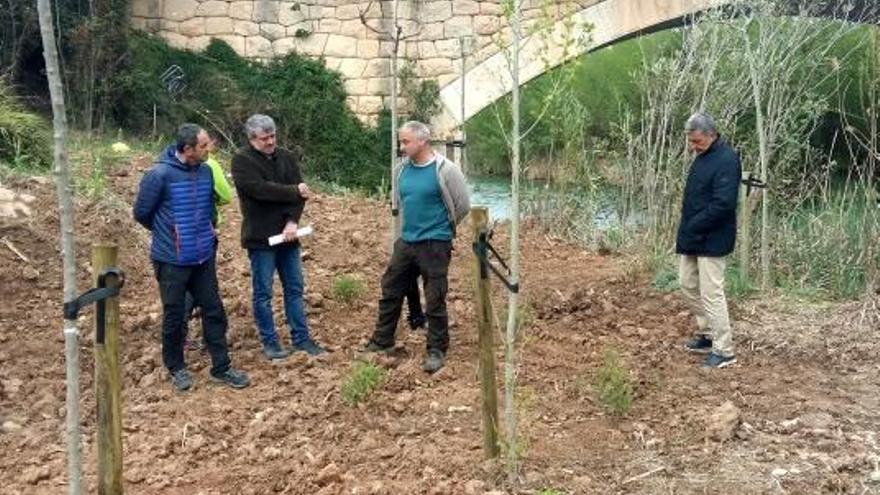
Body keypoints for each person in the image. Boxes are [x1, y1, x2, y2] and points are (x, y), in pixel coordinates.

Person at [133, 123, 251, 391]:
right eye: (204, 146)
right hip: (171, 259)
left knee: (213, 310)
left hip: (202, 256)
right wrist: (169, 233)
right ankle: (176, 368)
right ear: (187, 149)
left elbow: (209, 206)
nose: (209, 149)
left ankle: (221, 367)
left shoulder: (207, 171)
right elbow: (141, 213)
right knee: (175, 315)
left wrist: (208, 228)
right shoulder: (159, 175)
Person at [365, 121, 470, 373]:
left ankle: (436, 349)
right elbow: (400, 204)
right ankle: (382, 341)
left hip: (435, 244)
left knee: (434, 298)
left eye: (406, 142)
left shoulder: (446, 170)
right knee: (390, 289)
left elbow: (462, 205)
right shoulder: (400, 170)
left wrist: (442, 230)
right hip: (406, 241)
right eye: (401, 141)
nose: (402, 146)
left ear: (422, 141)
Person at [231, 114, 326, 360]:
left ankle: (302, 339)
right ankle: (270, 343)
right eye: (265, 138)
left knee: (294, 288)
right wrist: (293, 191)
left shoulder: (286, 157)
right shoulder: (242, 161)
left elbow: (301, 194)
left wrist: (292, 222)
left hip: (289, 236)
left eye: (273, 136)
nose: (271, 141)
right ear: (252, 139)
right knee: (263, 293)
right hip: (261, 239)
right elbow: (259, 190)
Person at [676, 112, 742, 369]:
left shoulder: (727, 159)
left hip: (713, 237)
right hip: (693, 235)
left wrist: (694, 224)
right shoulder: (703, 156)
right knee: (686, 284)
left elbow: (724, 204)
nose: (693, 147)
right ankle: (706, 334)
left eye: (698, 142)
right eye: (691, 142)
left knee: (712, 293)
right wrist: (689, 229)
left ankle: (724, 350)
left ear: (712, 135)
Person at [183, 136, 233, 350]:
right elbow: (225, 196)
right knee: (205, 285)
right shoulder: (210, 165)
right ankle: (212, 339)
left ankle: (180, 335)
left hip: (180, 237)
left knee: (184, 284)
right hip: (205, 231)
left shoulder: (169, 166)